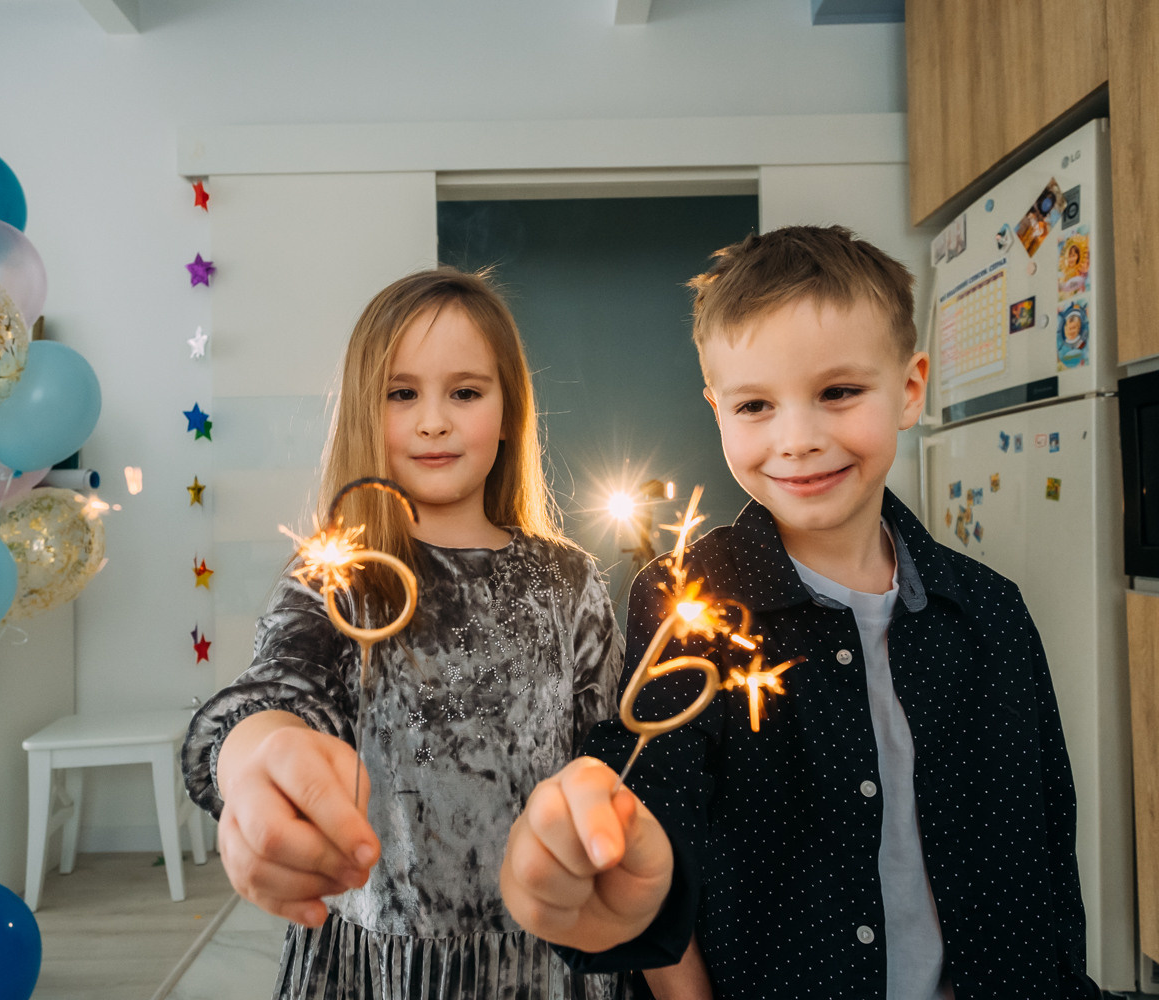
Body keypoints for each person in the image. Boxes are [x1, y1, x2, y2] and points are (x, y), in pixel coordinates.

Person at [500, 226, 1100, 1000]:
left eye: (839, 393)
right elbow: (655, 821)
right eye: (755, 405)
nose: (799, 439)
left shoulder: (991, 612)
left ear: (911, 388)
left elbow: (1045, 843)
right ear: (717, 410)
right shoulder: (689, 600)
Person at [182, 267, 626, 1000]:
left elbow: (609, 760)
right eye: (402, 394)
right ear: (366, 409)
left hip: (547, 964)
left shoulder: (569, 582)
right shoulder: (340, 576)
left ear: (510, 409)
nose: (432, 421)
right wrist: (256, 749)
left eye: (465, 392)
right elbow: (274, 693)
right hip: (377, 970)